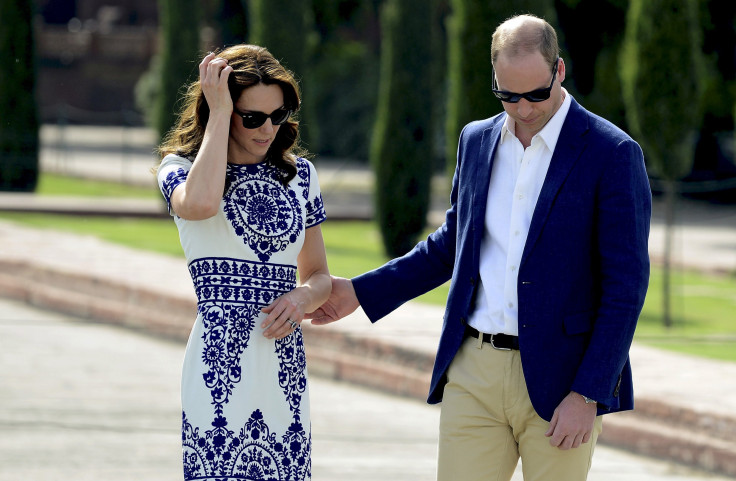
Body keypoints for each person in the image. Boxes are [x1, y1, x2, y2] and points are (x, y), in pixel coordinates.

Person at [307, 14, 650, 481]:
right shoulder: (476, 140)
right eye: (508, 95)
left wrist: (589, 393)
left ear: (559, 71)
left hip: (563, 379)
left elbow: (625, 287)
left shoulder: (612, 153)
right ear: (494, 79)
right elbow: (452, 245)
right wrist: (362, 292)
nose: (523, 108)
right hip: (474, 371)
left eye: (535, 93)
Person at [156, 44, 330, 481]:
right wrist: (218, 114)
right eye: (252, 117)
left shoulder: (300, 175)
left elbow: (319, 275)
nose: (268, 128)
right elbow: (198, 205)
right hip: (219, 368)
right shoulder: (179, 168)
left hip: (282, 362)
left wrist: (304, 297)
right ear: (223, 109)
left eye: (279, 114)